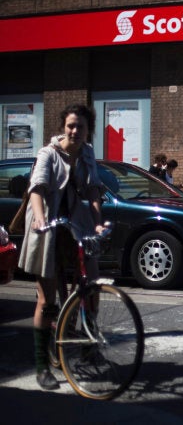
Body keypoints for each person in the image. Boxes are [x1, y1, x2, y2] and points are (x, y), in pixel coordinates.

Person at [18, 104, 106, 390]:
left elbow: (93, 190)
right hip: (46, 221)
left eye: (80, 126)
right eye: (71, 125)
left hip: (74, 221)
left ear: (87, 129)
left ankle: (87, 340)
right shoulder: (49, 153)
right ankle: (42, 366)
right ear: (63, 127)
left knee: (91, 282)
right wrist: (41, 219)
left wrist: (97, 223)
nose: (75, 131)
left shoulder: (88, 153)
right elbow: (37, 189)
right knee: (47, 300)